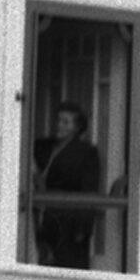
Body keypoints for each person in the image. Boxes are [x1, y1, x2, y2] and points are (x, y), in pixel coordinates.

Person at [32, 102, 101, 269]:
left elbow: (89, 190)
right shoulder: (42, 146)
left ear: (77, 127)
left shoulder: (87, 152)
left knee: (67, 266)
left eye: (66, 122)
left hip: (68, 220)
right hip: (39, 216)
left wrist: (84, 228)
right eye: (58, 120)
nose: (59, 125)